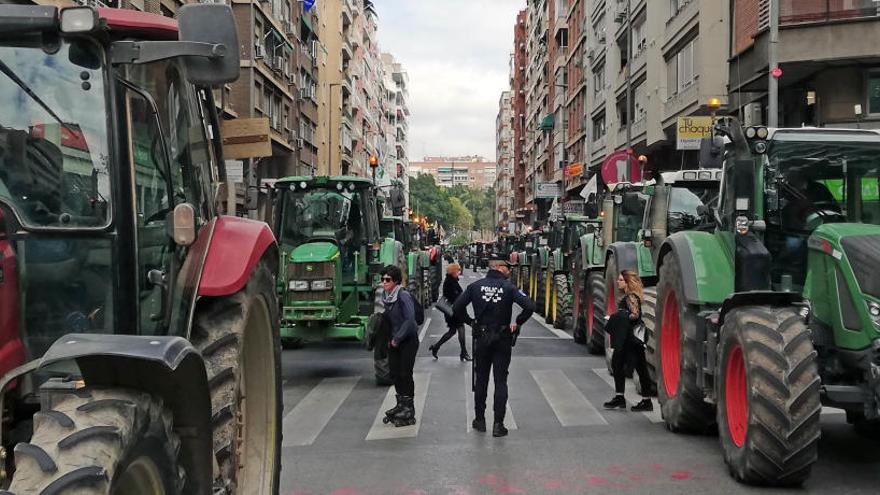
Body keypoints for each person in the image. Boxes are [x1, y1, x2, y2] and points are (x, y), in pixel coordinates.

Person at [453, 256, 535, 437]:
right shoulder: (509, 288)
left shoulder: (475, 286)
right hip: (503, 337)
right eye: (507, 267)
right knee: (501, 381)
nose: (510, 270)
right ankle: (498, 424)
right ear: (498, 267)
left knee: (481, 379)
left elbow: (457, 307)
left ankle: (480, 420)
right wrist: (518, 322)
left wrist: (471, 322)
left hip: (481, 337)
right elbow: (529, 305)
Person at [603, 270, 653, 412]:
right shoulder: (630, 296)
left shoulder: (630, 297)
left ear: (627, 282)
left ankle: (641, 401)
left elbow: (635, 315)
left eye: (620, 280)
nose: (618, 282)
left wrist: (619, 316)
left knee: (635, 367)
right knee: (624, 365)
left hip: (630, 339)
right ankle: (624, 398)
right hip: (630, 338)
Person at [380, 265, 420, 427]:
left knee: (405, 373)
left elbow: (410, 320)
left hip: (408, 341)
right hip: (393, 341)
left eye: (387, 279)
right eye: (382, 279)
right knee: (395, 373)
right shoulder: (386, 296)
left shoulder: (403, 296)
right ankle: (401, 404)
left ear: (395, 281)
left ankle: (409, 409)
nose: (384, 282)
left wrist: (397, 338)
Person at [429, 263, 471, 362]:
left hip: (454, 311)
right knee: (460, 330)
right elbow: (454, 297)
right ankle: (463, 353)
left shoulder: (452, 281)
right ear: (453, 271)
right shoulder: (449, 282)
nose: (459, 272)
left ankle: (436, 347)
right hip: (453, 311)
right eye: (458, 270)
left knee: (453, 331)